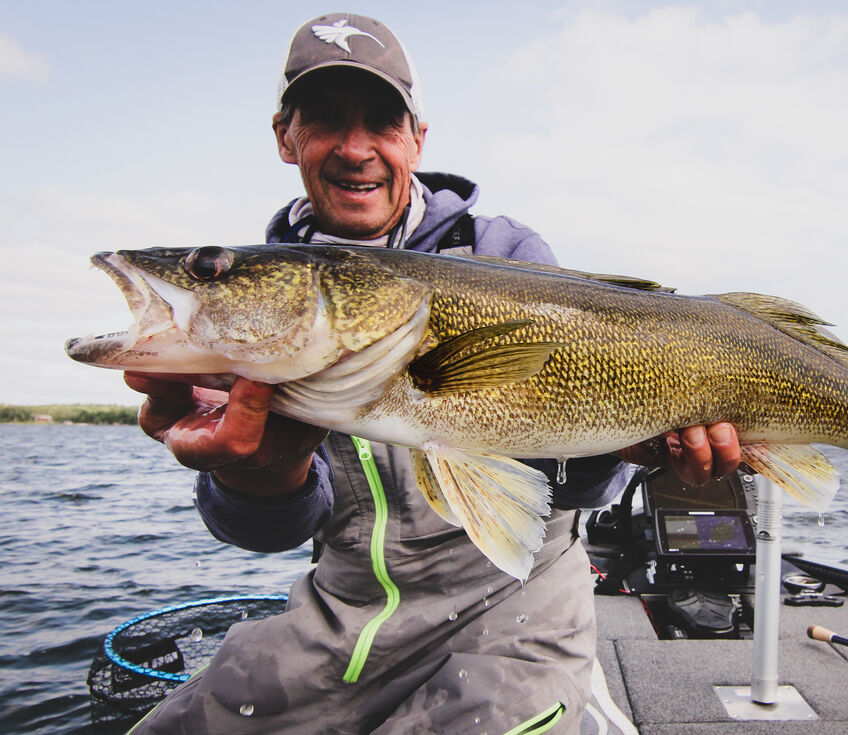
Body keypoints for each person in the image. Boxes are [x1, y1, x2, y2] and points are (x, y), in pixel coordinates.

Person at [124, 13, 741, 734]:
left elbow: (577, 489)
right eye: (324, 119)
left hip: (518, 597)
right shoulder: (265, 305)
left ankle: (579, 691)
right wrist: (256, 475)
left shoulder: (506, 253)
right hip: (347, 609)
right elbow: (270, 527)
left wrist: (622, 445)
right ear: (285, 135)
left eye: (382, 121)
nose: (356, 150)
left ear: (417, 137)